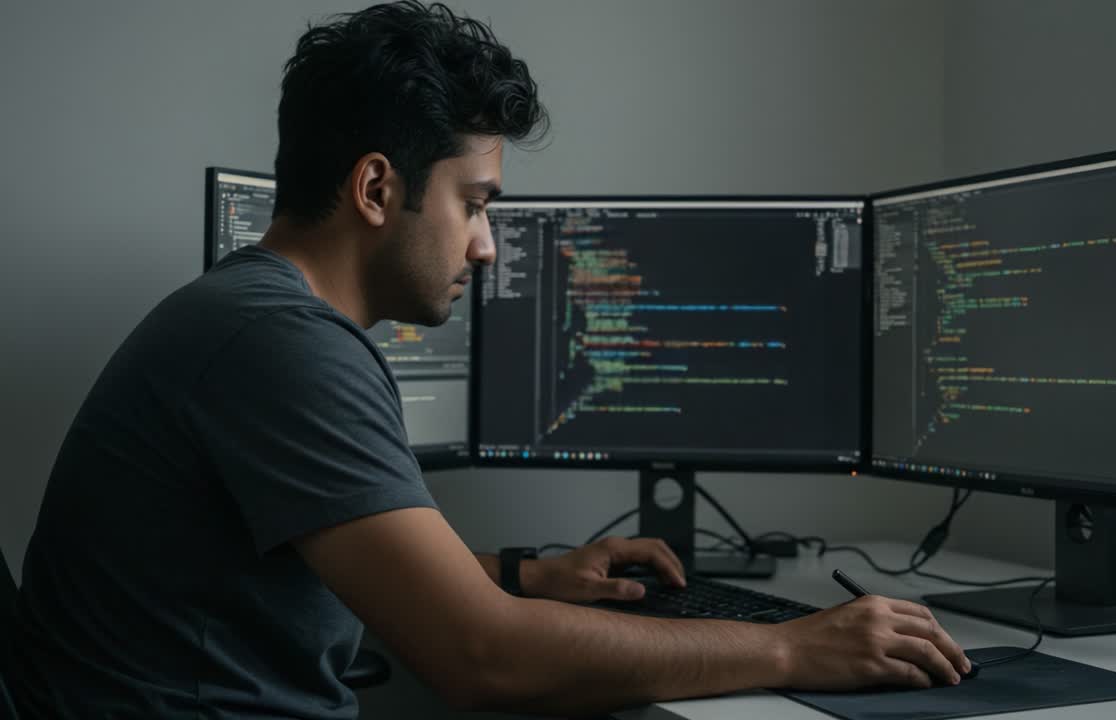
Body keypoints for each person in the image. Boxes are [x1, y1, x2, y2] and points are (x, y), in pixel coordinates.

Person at [1, 2, 969, 717]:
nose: (485, 248)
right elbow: (480, 659)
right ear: (377, 187)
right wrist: (791, 648)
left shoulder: (247, 316)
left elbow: (345, 557)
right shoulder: (280, 344)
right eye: (474, 203)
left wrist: (527, 574)